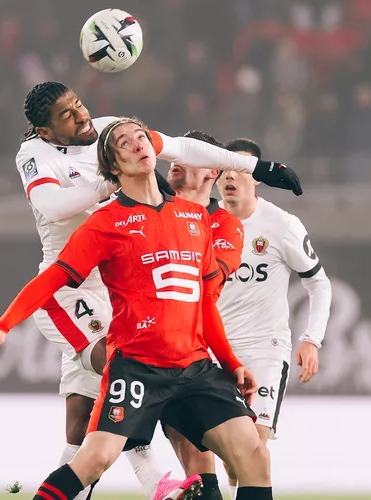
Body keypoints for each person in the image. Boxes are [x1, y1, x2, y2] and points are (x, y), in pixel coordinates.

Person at [0, 82, 302, 499]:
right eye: (125, 143)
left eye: (142, 137)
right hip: (124, 348)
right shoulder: (101, 219)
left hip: (191, 365)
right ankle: (155, 479)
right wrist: (3, 324)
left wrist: (230, 362)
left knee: (253, 455)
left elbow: (201, 301)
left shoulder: (191, 218)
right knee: (92, 450)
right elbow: (54, 260)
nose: (138, 143)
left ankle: (159, 478)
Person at [163, 137, 332, 500]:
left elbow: (319, 283)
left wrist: (311, 339)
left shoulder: (281, 225)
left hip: (263, 348)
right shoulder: (196, 221)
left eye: (241, 169)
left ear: (256, 177)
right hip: (210, 351)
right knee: (222, 451)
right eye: (225, 169)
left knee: (253, 447)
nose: (231, 176)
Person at [164, 130, 244, 500]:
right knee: (91, 440)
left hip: (195, 350)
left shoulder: (225, 224)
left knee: (202, 457)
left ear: (212, 171)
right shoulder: (146, 210)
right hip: (142, 347)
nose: (175, 164)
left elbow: (205, 288)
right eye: (174, 157)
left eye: (189, 158)